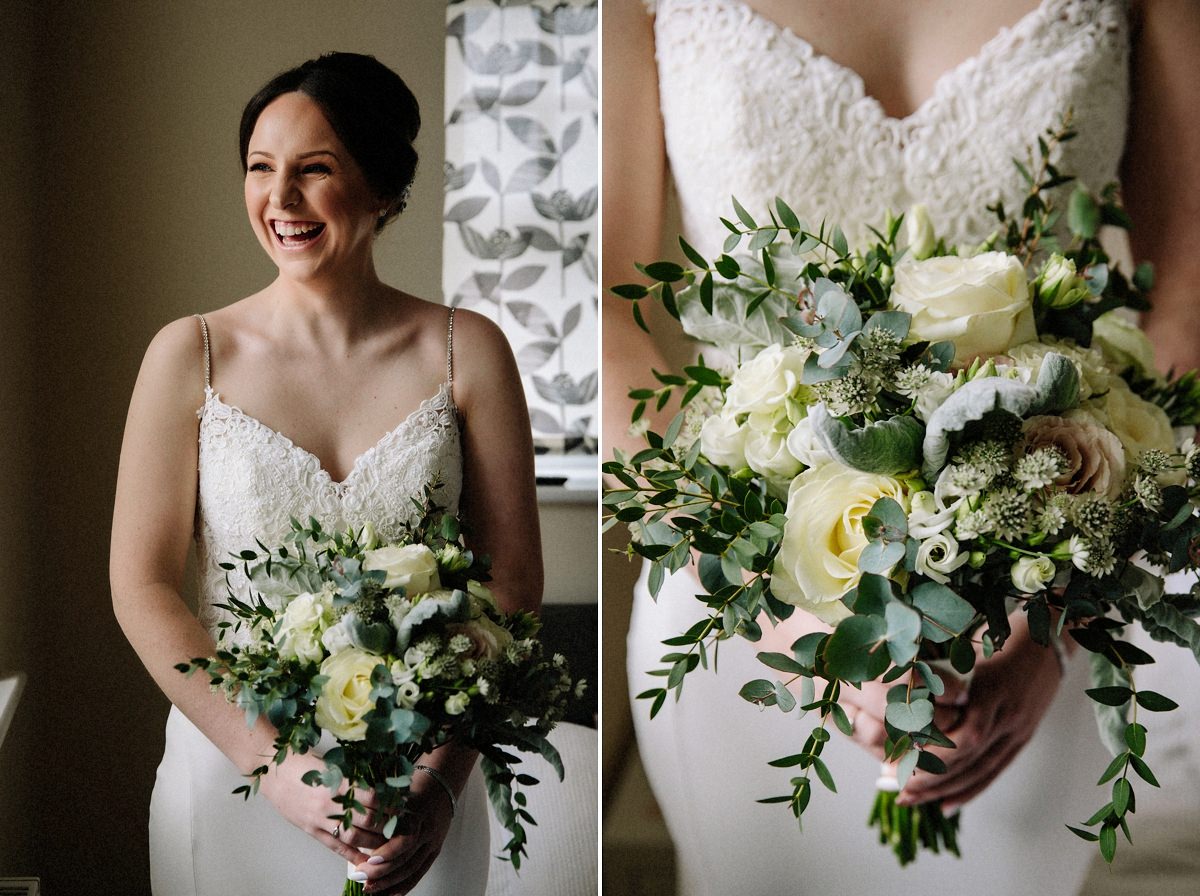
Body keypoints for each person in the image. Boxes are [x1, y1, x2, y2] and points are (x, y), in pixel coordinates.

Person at [603, 1, 1200, 893]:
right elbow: (606, 312)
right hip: (734, 604)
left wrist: (1049, 622)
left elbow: (1185, 292)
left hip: (1040, 611)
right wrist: (792, 618)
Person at [111, 52, 542, 895]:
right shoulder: (189, 354)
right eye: (261, 170)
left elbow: (515, 584)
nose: (281, 200)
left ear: (382, 186)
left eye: (315, 171)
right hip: (233, 785)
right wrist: (270, 764)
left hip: (419, 798)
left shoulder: (467, 349)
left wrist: (442, 784)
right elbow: (142, 587)